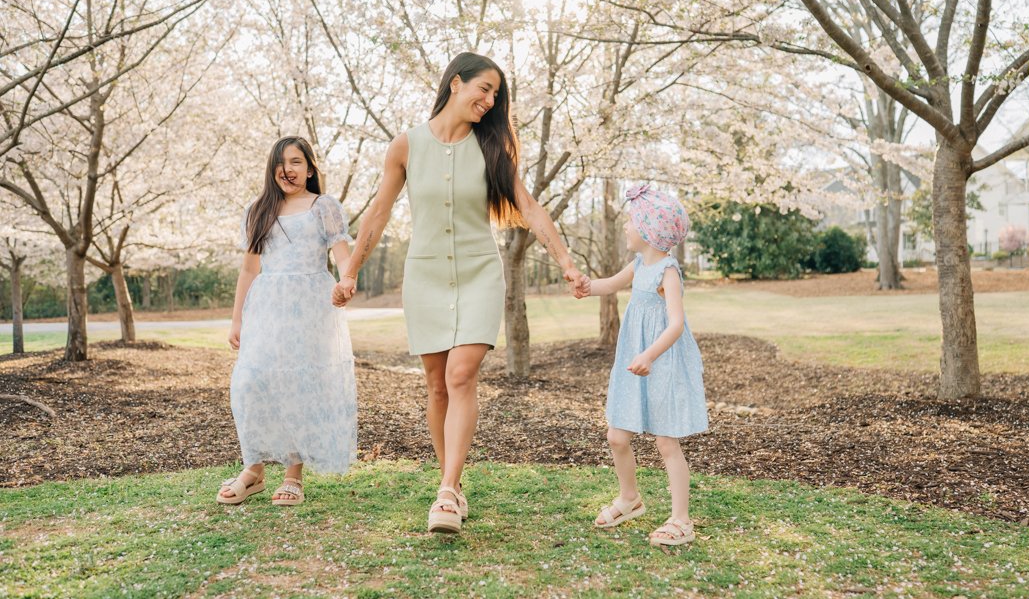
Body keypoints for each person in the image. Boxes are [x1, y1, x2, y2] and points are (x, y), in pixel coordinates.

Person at [332, 52, 586, 533]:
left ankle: (446, 492)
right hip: (424, 276)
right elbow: (379, 214)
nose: (490, 102)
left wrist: (567, 264)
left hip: (479, 275)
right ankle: (454, 484)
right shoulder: (406, 145)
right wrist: (350, 273)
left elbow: (528, 208)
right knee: (435, 385)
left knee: (462, 375)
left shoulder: (493, 150)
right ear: (455, 83)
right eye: (484, 89)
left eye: (496, 95)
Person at [217, 136, 356, 507]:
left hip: (310, 307)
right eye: (281, 162)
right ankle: (253, 469)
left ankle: (293, 475)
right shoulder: (258, 210)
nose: (287, 169)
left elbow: (342, 253)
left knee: (298, 384)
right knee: (250, 382)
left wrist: (346, 279)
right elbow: (249, 269)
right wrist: (237, 320)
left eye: (296, 162)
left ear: (310, 169)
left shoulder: (322, 206)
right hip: (266, 307)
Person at [576, 183, 708, 547]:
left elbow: (677, 323)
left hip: (660, 362)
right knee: (617, 435)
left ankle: (682, 519)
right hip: (633, 360)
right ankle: (629, 498)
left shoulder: (667, 272)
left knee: (666, 442)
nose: (626, 227)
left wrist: (650, 355)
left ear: (649, 230)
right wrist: (587, 286)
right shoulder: (637, 265)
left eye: (631, 222)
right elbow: (610, 285)